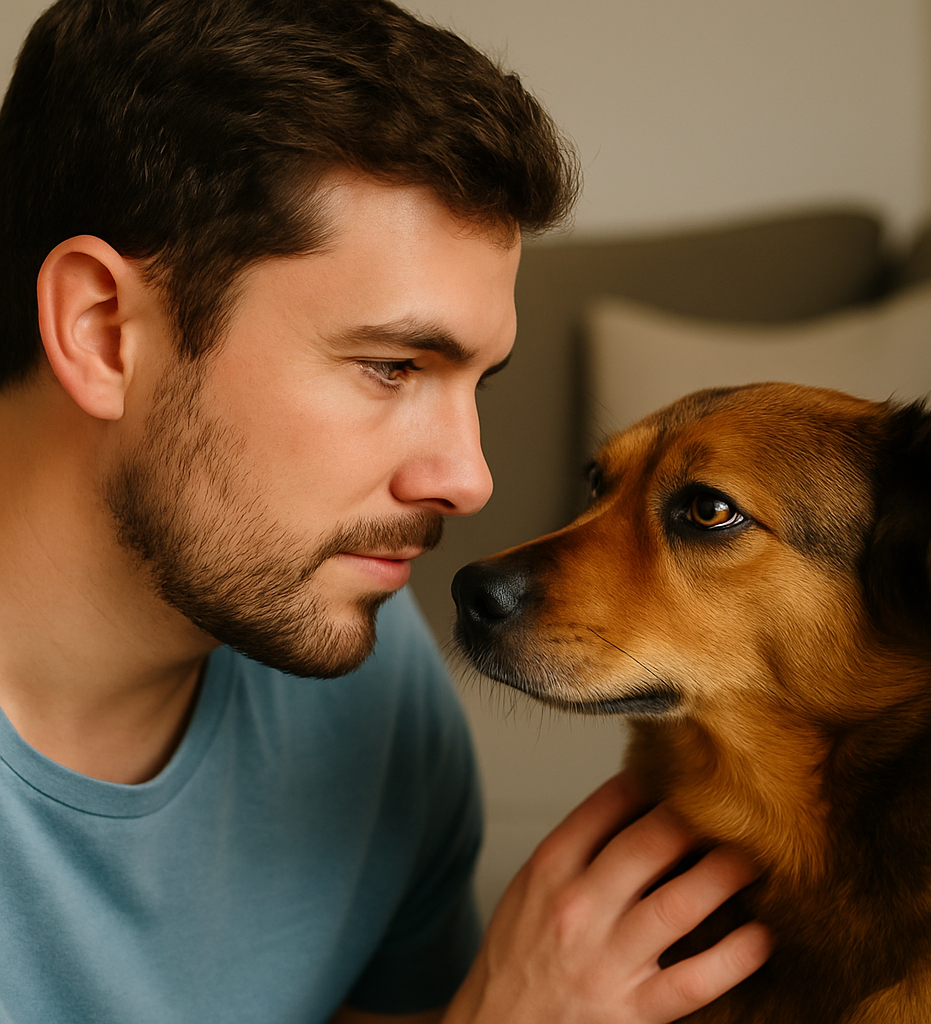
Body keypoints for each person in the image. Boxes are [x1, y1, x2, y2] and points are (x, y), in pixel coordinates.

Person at [0, 1, 773, 1021]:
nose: (469, 479)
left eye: (476, 383)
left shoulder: (367, 676)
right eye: (391, 367)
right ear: (103, 332)